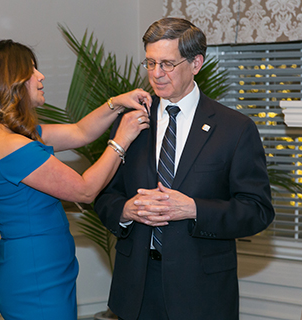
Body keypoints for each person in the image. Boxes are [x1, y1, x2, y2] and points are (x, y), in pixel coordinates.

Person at [94, 18, 275, 320]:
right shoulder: (130, 122)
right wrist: (126, 210)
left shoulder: (234, 128)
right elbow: (103, 196)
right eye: (150, 63)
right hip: (136, 289)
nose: (156, 74)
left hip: (202, 292)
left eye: (167, 64)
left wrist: (194, 209)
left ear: (196, 63)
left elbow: (257, 211)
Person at [0, 39, 151, 320]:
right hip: (36, 276)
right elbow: (84, 190)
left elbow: (80, 132)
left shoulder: (11, 135)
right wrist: (122, 140)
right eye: (32, 71)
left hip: (42, 269)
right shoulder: (11, 145)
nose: (41, 76)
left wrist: (116, 104)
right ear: (11, 82)